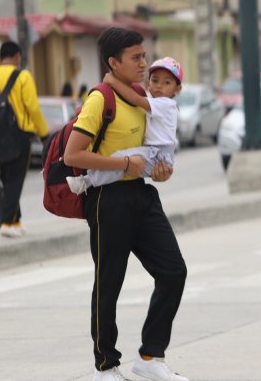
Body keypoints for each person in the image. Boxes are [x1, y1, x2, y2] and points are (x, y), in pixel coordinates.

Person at [63, 28, 188, 381]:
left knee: (173, 271)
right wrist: (123, 165)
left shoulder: (140, 95)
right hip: (108, 200)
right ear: (113, 63)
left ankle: (150, 356)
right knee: (109, 282)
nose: (143, 63)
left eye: (144, 56)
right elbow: (74, 153)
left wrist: (158, 173)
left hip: (141, 195)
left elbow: (151, 149)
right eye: (136, 58)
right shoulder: (100, 99)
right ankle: (106, 365)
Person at [67, 58, 183, 196]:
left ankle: (87, 181)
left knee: (121, 159)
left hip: (158, 154)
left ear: (177, 89)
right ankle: (88, 180)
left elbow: (135, 99)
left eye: (167, 82)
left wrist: (111, 80)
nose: (159, 86)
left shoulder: (166, 104)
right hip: (154, 153)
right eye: (155, 80)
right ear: (148, 83)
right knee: (122, 163)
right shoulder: (154, 103)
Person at [0, 41, 48, 238]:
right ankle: (6, 223)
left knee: (6, 177)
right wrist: (43, 134)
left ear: (2, 57)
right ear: (17, 56)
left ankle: (15, 220)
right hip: (18, 134)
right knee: (15, 179)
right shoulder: (22, 76)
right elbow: (32, 107)